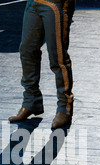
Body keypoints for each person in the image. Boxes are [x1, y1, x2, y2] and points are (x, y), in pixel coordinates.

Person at [8, 0, 75, 129]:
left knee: (57, 56)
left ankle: (64, 108)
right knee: (27, 51)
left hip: (55, 4)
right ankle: (31, 101)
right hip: (34, 3)